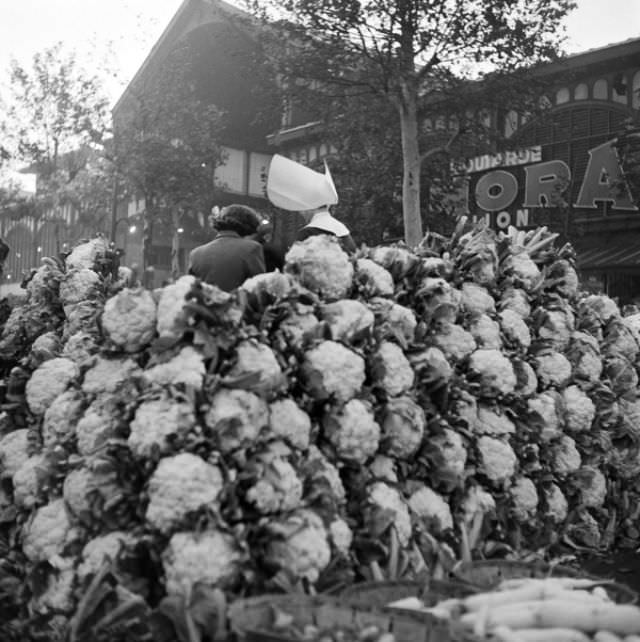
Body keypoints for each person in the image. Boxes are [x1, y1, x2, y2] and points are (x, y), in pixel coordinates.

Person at [266, 154, 356, 252]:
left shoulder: (307, 234)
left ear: (310, 207)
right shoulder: (343, 232)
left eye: (302, 209)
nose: (301, 213)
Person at [188, 204, 266, 291]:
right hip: (237, 303)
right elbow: (260, 288)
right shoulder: (252, 248)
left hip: (203, 304)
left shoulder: (195, 253)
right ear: (249, 226)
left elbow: (191, 289)